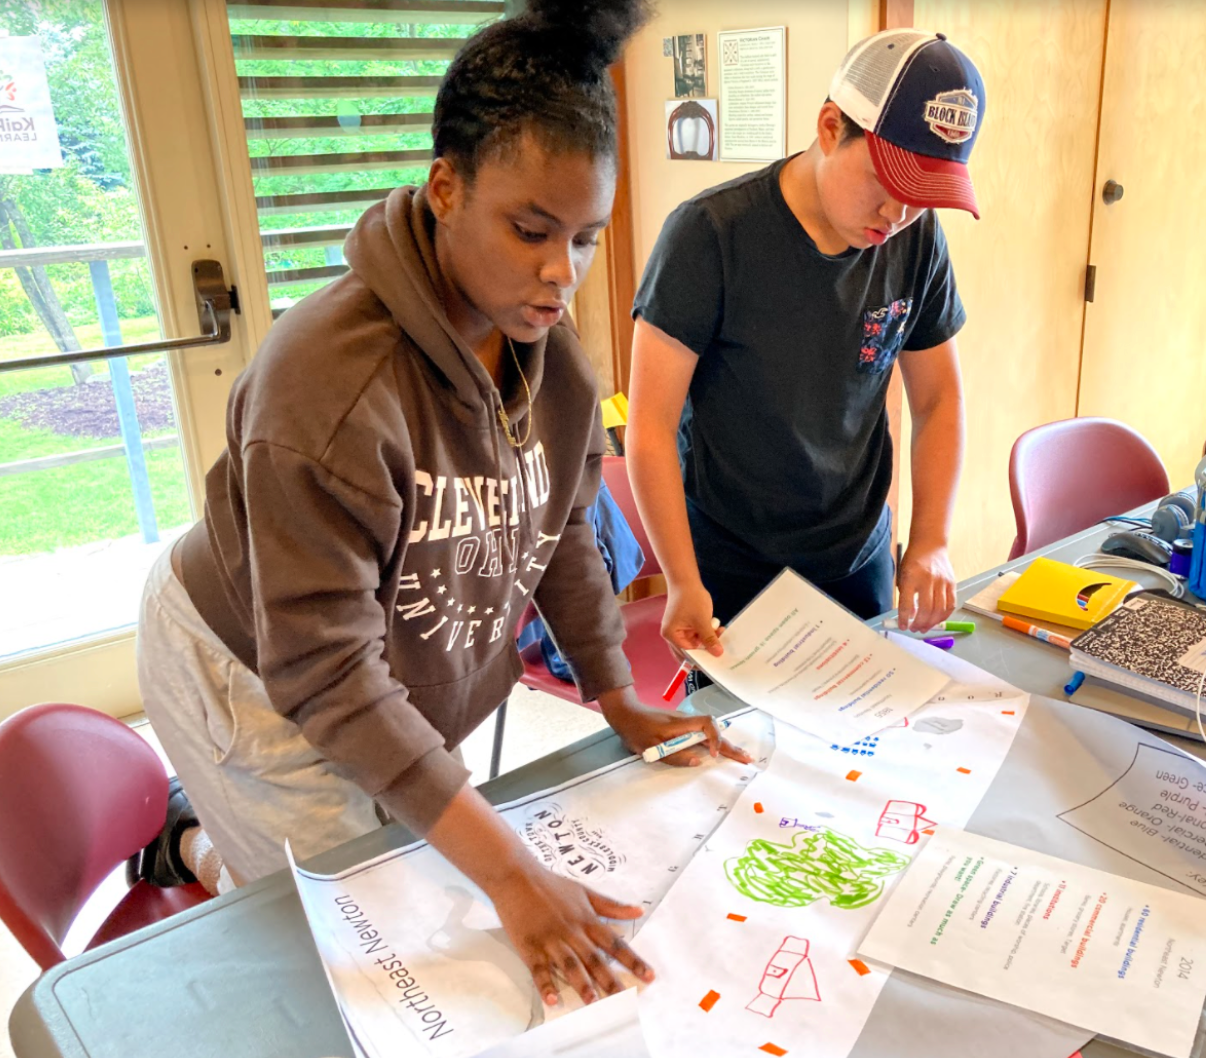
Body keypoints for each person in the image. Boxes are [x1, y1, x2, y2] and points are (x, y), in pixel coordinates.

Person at [135, 0, 749, 1010]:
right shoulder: (325, 391)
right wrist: (510, 875)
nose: (563, 273)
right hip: (249, 662)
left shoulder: (541, 348)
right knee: (351, 933)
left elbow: (558, 538)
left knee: (406, 862)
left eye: (587, 237)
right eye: (531, 230)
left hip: (370, 653)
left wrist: (615, 689)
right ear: (445, 187)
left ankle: (209, 828)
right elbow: (325, 673)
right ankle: (196, 839)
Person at [627, 30, 985, 664]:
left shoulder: (917, 237)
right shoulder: (710, 235)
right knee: (744, 756)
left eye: (922, 193)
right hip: (732, 564)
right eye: (885, 179)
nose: (897, 212)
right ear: (829, 128)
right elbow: (650, 426)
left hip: (859, 553)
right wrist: (682, 581)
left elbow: (940, 398)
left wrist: (929, 538)